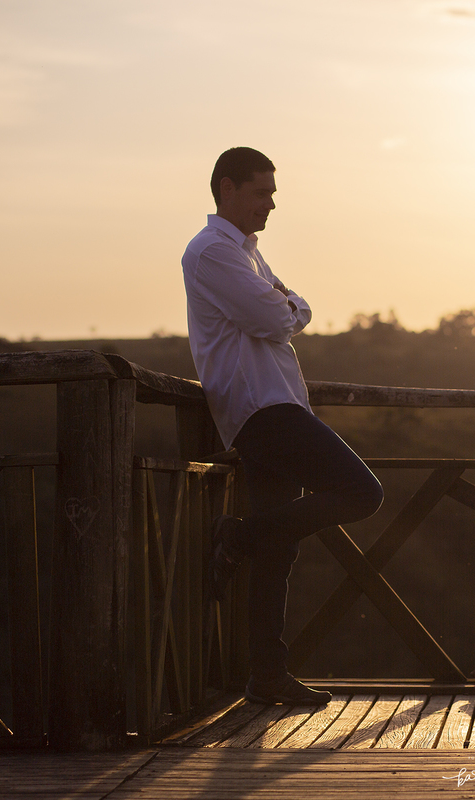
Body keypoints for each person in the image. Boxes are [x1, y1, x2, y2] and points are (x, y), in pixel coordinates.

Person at [181, 147, 384, 706]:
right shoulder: (211, 253)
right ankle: (239, 534)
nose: (271, 204)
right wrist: (285, 305)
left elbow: (293, 309)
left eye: (272, 193)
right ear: (227, 188)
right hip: (260, 407)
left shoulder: (246, 252)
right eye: (261, 192)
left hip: (272, 403)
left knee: (280, 547)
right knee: (362, 492)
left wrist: (285, 305)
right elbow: (278, 315)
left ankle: (266, 677)